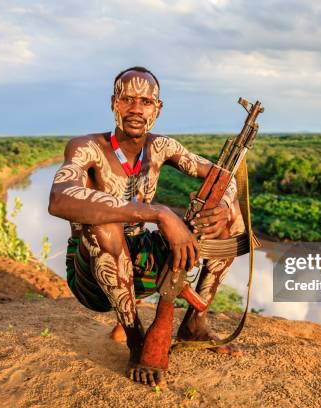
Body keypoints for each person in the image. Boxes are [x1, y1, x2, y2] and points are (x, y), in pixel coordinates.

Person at [48, 66, 245, 387]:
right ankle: (137, 340)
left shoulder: (163, 147)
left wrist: (221, 208)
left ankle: (195, 322)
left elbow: (224, 177)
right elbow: (59, 197)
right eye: (127, 99)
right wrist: (159, 214)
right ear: (114, 103)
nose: (136, 109)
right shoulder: (86, 147)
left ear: (158, 108)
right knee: (105, 225)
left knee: (225, 214)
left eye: (145, 101)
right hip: (93, 278)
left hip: (140, 266)